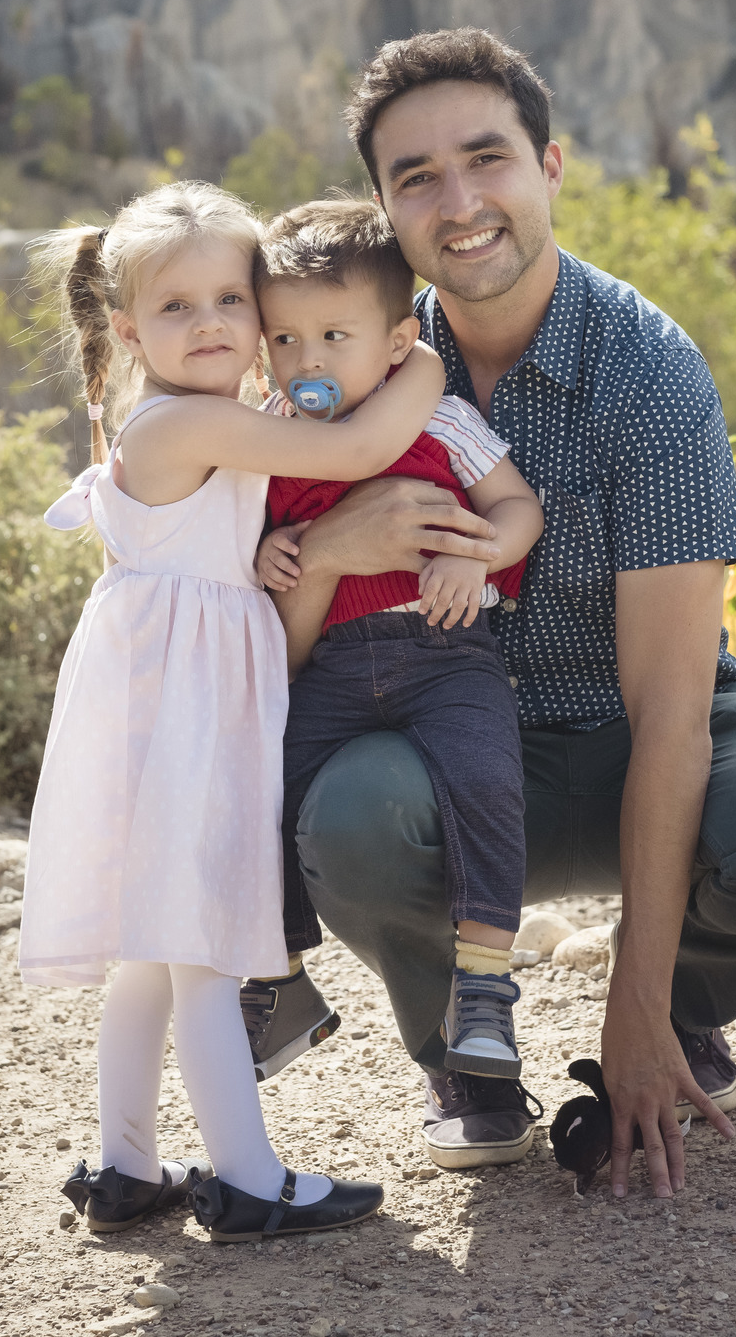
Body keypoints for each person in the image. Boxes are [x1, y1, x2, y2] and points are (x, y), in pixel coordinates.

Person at [240, 30, 736, 1198]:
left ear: (549, 167)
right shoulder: (341, 368)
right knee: (348, 819)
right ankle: (465, 1060)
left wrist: (635, 997)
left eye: (486, 158)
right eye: (416, 178)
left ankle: (677, 1021)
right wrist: (334, 549)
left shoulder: (648, 371)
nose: (460, 203)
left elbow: (672, 713)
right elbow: (276, 659)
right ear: (383, 211)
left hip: (631, 723)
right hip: (435, 739)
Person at [17, 180, 445, 1239]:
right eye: (177, 308)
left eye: (229, 299)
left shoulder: (209, 421)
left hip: (177, 698)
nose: (211, 322)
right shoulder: (178, 421)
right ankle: (248, 1179)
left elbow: (225, 529)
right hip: (184, 714)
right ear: (127, 329)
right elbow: (352, 455)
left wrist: (257, 548)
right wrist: (423, 361)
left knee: (153, 952)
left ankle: (126, 1167)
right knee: (200, 942)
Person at [240, 200, 544, 1085]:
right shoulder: (270, 439)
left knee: (487, 779)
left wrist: (479, 554)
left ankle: (485, 988)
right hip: (331, 670)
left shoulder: (438, 421)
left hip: (447, 653)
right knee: (264, 785)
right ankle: (282, 978)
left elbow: (517, 506)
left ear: (398, 341)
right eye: (287, 339)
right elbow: (263, 560)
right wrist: (267, 551)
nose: (309, 360)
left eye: (335, 335)